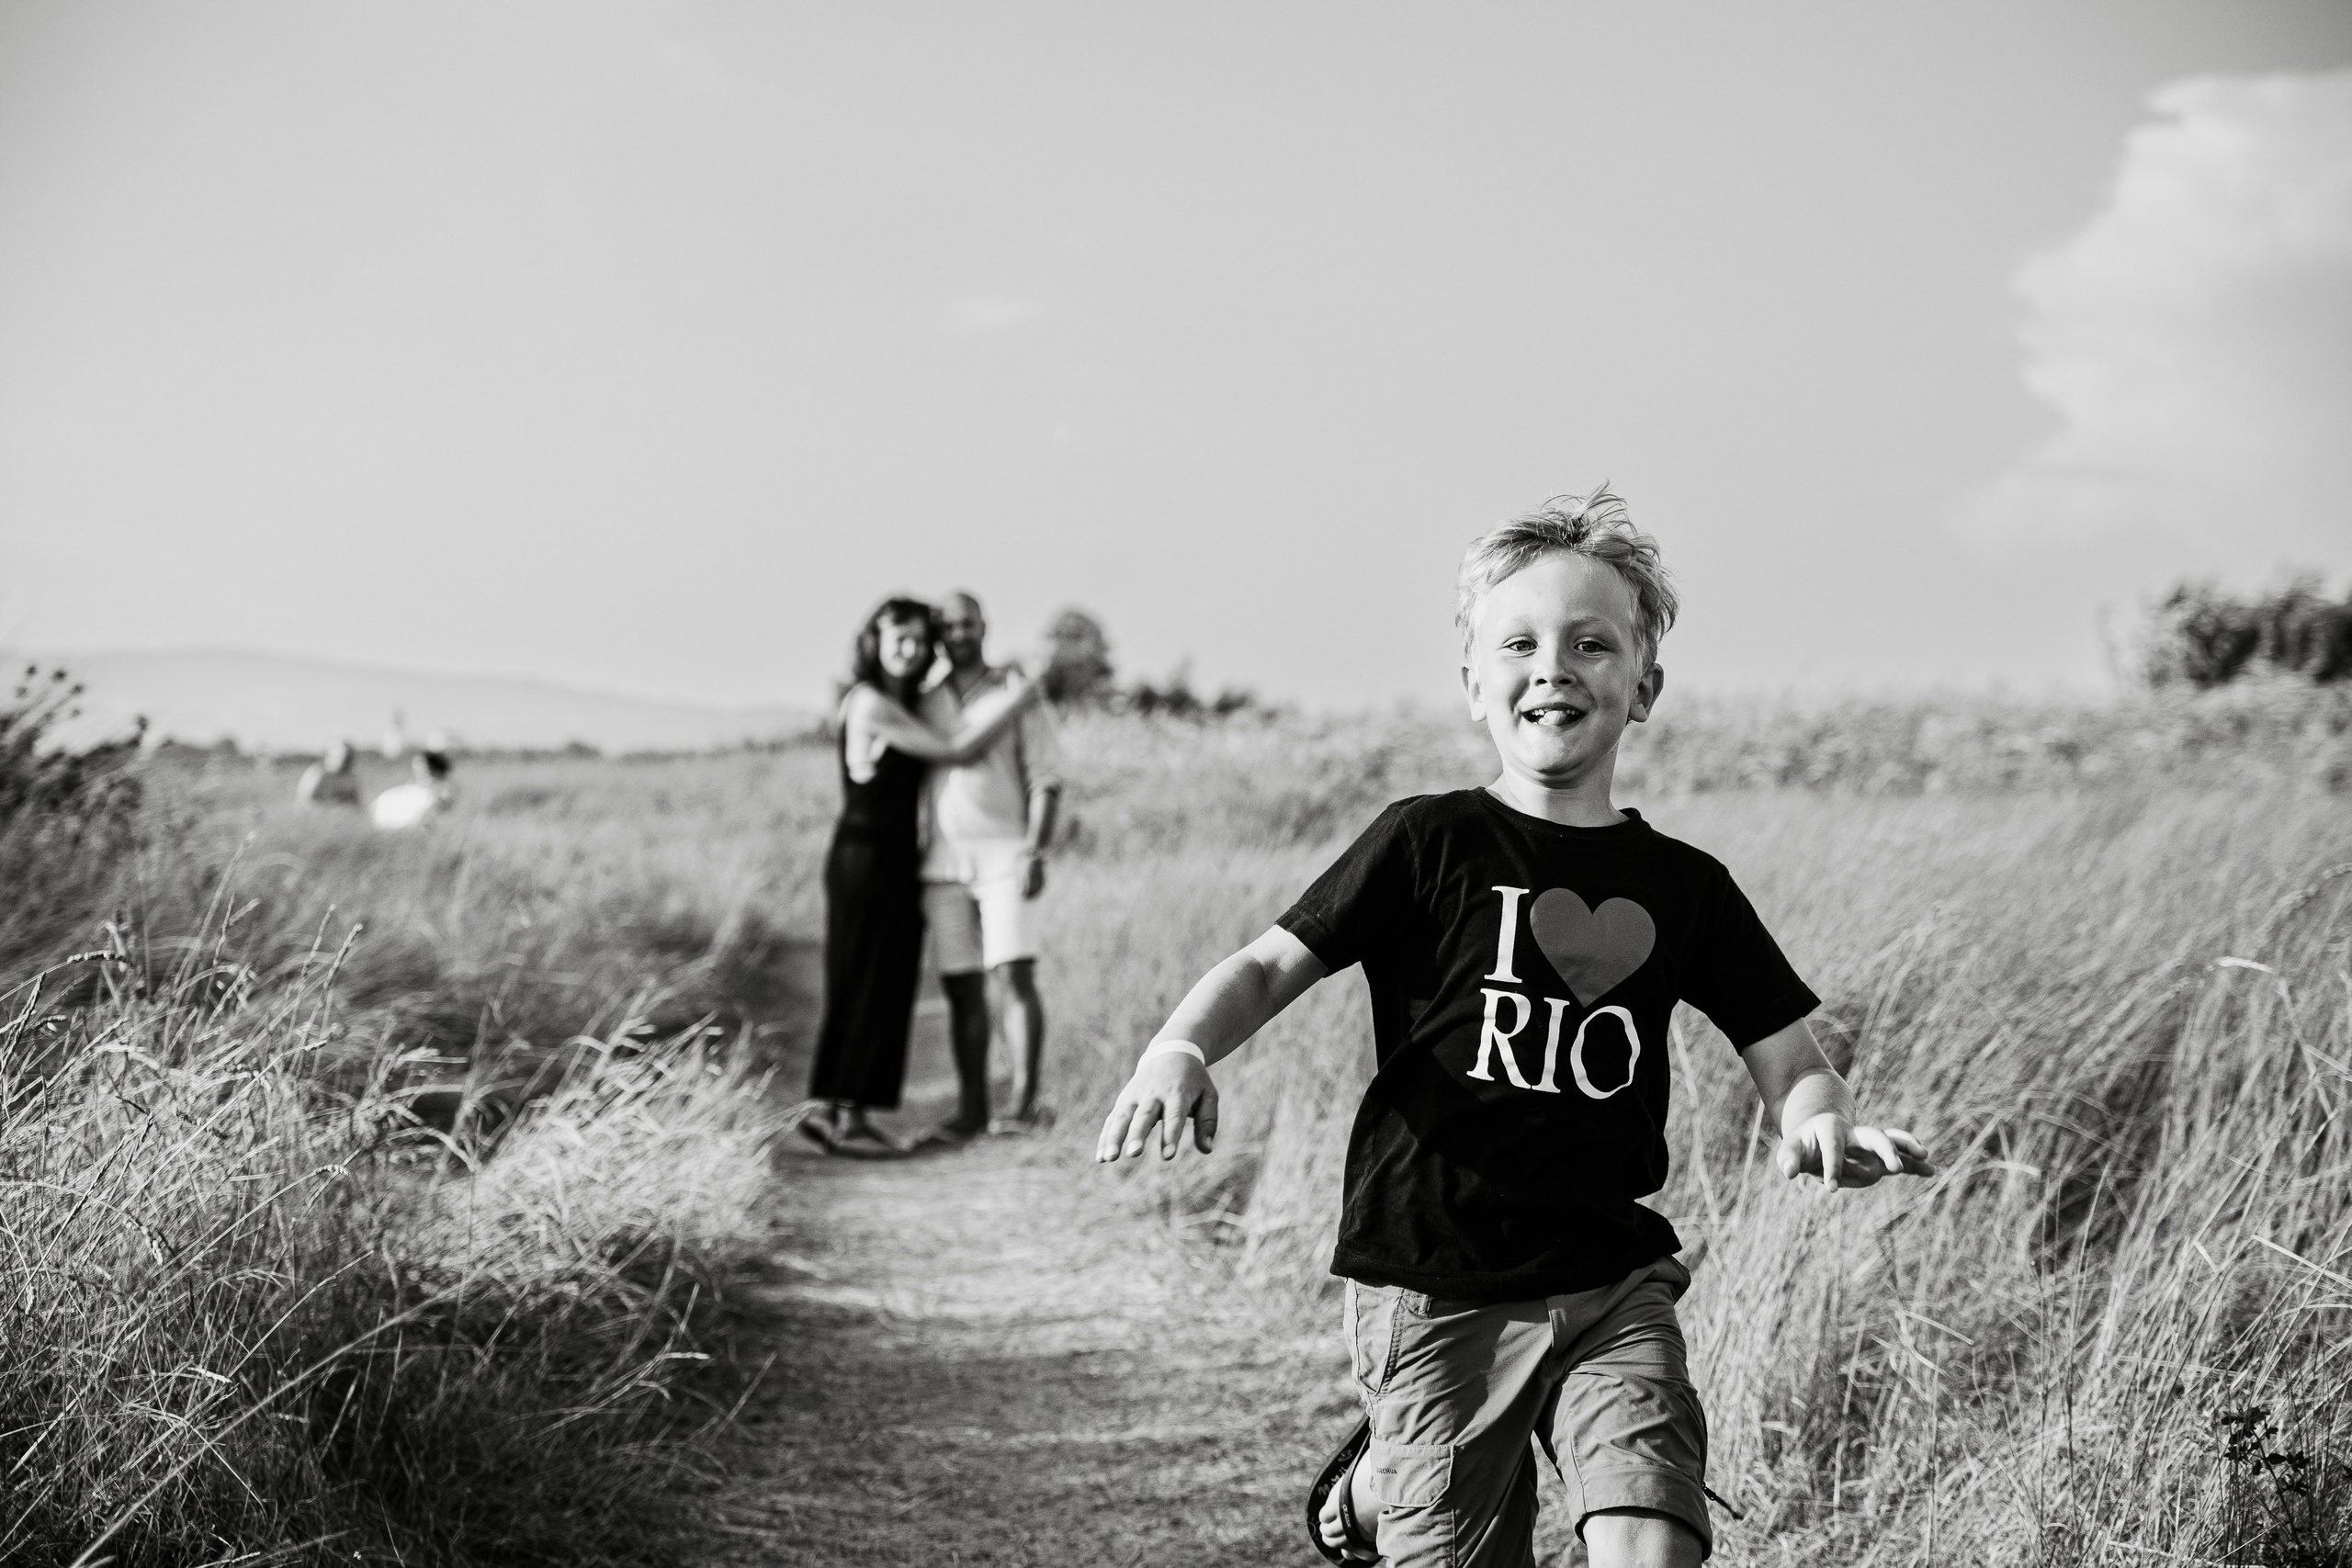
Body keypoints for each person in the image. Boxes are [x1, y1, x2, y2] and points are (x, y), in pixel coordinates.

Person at [1094, 490, 1935, 1568]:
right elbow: (1269, 963)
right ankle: (1377, 1486)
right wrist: (1180, 1049)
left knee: (1654, 1540)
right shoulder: (1423, 841)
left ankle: (1404, 1475)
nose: (1555, 666)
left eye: (1593, 643)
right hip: (1437, 1281)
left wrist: (1825, 1123)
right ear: (1473, 683)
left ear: (1644, 687)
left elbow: (1786, 1056)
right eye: (1521, 643)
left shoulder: (1686, 889)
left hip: (1608, 1276)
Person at [804, 597, 1042, 1156]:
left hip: (891, 860)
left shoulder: (899, 702)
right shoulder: (869, 704)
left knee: (877, 984)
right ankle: (847, 1118)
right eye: (898, 641)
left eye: (917, 641)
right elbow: (957, 749)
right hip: (867, 858)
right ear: (875, 644)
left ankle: (833, 1111)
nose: (910, 651)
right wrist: (1018, 699)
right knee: (865, 983)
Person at [917, 591, 1063, 1143]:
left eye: (968, 623)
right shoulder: (925, 701)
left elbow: (1046, 776)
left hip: (1006, 854)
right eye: (948, 625)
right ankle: (971, 1110)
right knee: (961, 988)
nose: (959, 633)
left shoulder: (1016, 691)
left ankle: (1023, 1107)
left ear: (985, 625)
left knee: (1014, 975)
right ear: (939, 632)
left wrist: (1035, 847)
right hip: (941, 863)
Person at [370, 745, 452, 829]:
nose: (418, 771)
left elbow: (441, 805)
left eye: (422, 768)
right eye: (416, 768)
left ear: (431, 767)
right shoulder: (413, 783)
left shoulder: (441, 786)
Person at [296, 739, 361, 808]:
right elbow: (304, 802)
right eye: (338, 757)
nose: (344, 762)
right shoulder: (317, 774)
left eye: (347, 758)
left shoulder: (350, 778)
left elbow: (357, 806)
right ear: (328, 757)